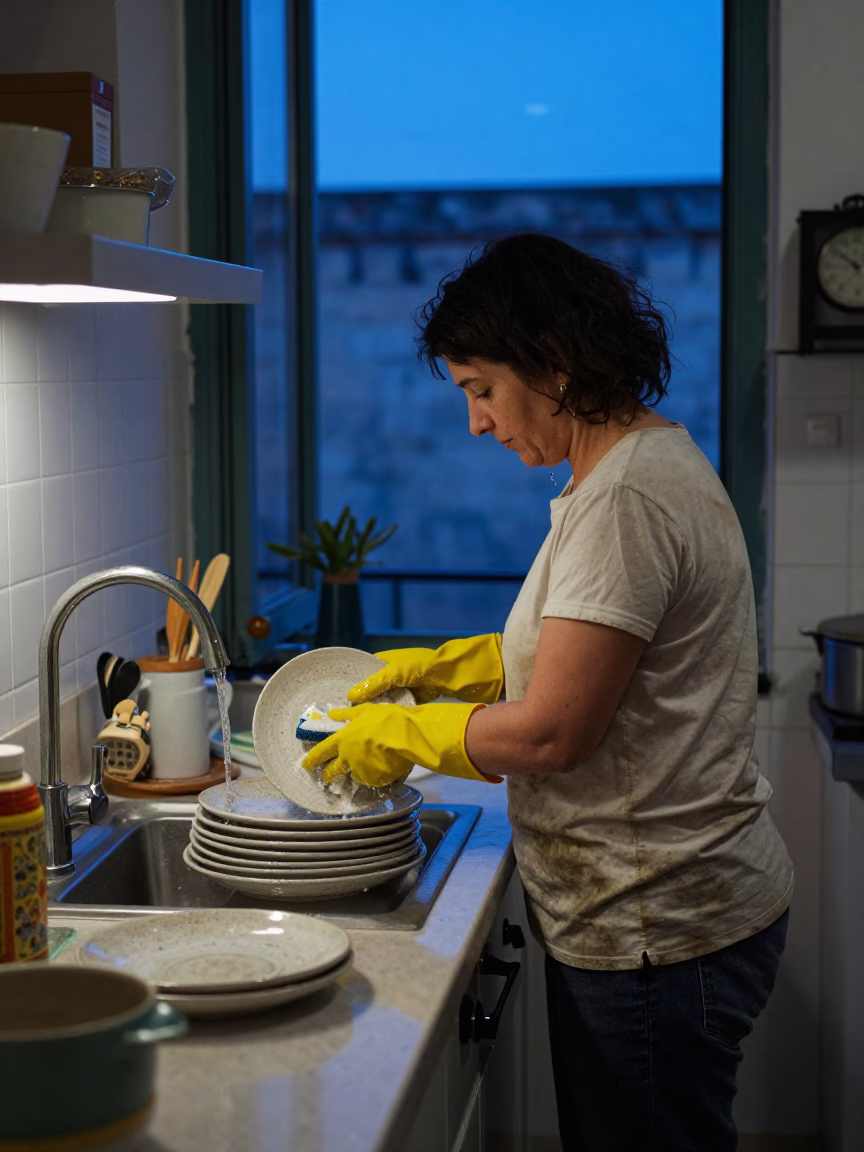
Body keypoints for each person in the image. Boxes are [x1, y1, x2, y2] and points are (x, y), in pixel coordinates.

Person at [303, 233, 793, 1151]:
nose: (477, 423)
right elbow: (585, 655)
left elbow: (552, 734)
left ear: (553, 364)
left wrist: (404, 738)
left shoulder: (625, 500)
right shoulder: (622, 470)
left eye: (481, 389)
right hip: (660, 912)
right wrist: (447, 665)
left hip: (657, 921)